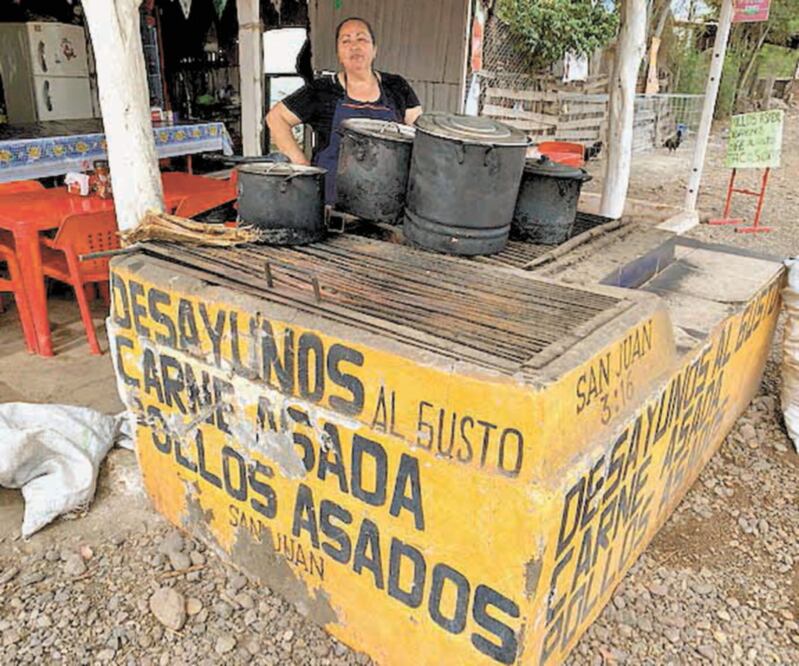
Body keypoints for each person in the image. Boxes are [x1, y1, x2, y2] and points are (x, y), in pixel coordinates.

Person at [266, 17, 423, 204]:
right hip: (332, 205)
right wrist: (303, 168)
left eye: (361, 39)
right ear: (339, 54)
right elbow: (276, 118)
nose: (354, 46)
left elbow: (420, 134)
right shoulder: (322, 90)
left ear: (374, 50)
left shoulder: (396, 86)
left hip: (387, 204)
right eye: (346, 41)